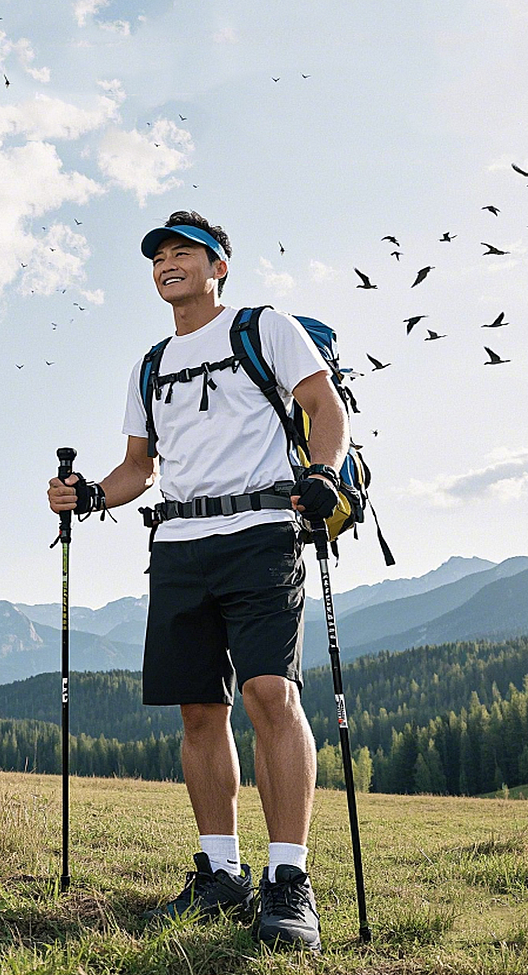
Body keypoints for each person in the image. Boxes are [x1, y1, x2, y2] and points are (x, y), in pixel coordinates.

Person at [48, 210, 349, 952]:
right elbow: (138, 469)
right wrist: (88, 495)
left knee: (270, 694)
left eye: (187, 252)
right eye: (159, 256)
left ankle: (289, 881)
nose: (168, 263)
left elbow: (323, 407)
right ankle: (221, 873)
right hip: (179, 543)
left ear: (219, 268)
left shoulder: (263, 326)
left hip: (262, 533)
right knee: (197, 711)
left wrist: (323, 474)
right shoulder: (149, 364)